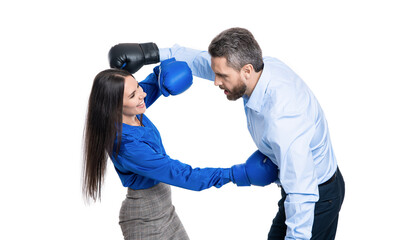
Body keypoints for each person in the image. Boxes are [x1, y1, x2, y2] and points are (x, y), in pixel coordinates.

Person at [108, 27, 345, 240]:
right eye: (217, 74)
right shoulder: (260, 69)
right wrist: (151, 52)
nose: (215, 82)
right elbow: (206, 64)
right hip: (147, 215)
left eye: (222, 77)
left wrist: (235, 174)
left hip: (315, 196)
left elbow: (302, 193)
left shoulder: (283, 120)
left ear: (247, 70)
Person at [82, 57, 278, 240]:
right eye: (133, 94)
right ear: (115, 106)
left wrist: (151, 55)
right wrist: (236, 174)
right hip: (144, 219)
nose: (142, 94)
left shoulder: (133, 111)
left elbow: (155, 81)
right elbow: (181, 175)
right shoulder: (127, 146)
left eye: (138, 86)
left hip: (166, 211)